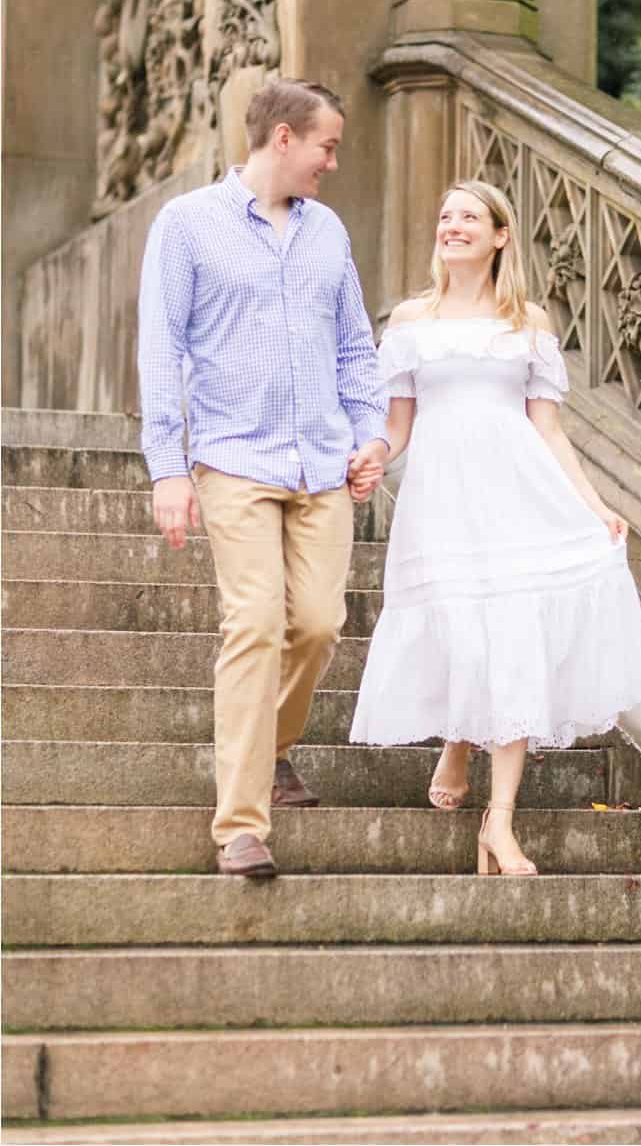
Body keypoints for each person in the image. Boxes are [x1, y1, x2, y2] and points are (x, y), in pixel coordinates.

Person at [349, 179, 641, 876]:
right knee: (461, 624)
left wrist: (593, 502)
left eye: (468, 216)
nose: (451, 225)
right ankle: (458, 739)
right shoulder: (408, 322)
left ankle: (501, 822)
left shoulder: (531, 324)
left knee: (514, 637)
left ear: (500, 235)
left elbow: (547, 427)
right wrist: (371, 455)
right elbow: (396, 427)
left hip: (518, 493)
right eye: (445, 214)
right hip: (442, 499)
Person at [138, 78, 388, 878]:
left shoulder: (328, 233)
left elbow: (356, 347)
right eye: (328, 145)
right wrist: (168, 468)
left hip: (321, 460)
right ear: (284, 139)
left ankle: (271, 746)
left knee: (316, 624)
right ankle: (239, 827)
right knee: (253, 623)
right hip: (234, 458)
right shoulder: (187, 225)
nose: (333, 161)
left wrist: (370, 436)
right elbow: (159, 351)